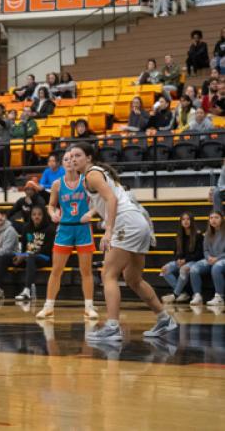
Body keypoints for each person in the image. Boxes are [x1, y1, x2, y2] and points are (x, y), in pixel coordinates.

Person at [69, 142, 177, 341]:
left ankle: (112, 327)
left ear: (89, 158)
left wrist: (108, 230)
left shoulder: (92, 174)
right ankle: (164, 319)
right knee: (133, 279)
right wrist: (93, 212)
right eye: (71, 156)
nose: (73, 159)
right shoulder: (97, 174)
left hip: (126, 223)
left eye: (78, 155)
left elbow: (112, 199)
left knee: (108, 274)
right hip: (138, 222)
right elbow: (110, 198)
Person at [36, 149, 98, 320]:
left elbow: (97, 203)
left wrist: (91, 213)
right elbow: (50, 205)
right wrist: (52, 213)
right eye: (66, 159)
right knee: (56, 270)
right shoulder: (57, 184)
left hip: (83, 228)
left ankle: (89, 307)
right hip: (64, 228)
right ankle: (48, 306)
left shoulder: (86, 181)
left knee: (86, 271)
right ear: (62, 164)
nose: (70, 161)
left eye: (73, 158)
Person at [160, 212, 204, 304]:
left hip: (194, 261)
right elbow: (175, 253)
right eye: (183, 219)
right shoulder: (179, 236)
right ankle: (182, 293)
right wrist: (178, 260)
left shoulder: (198, 235)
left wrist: (185, 260)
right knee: (165, 269)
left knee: (183, 269)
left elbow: (199, 254)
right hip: (182, 261)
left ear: (192, 221)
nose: (186, 221)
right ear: (180, 222)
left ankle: (175, 294)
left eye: (188, 219)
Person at [14, 205, 55, 301]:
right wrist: (20, 256)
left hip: (44, 257)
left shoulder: (50, 229)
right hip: (28, 256)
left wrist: (25, 255)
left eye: (39, 214)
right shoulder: (26, 228)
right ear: (31, 216)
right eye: (34, 214)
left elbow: (47, 249)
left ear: (44, 216)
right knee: (8, 257)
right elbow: (24, 247)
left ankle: (27, 291)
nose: (36, 217)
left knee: (30, 257)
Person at [187, 211, 225, 306]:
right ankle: (197, 296)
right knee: (194, 269)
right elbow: (205, 250)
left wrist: (217, 258)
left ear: (222, 219)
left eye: (216, 217)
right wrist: (208, 258)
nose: (213, 220)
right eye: (211, 218)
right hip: (211, 259)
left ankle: (219, 297)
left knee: (216, 267)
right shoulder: (208, 233)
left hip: (222, 258)